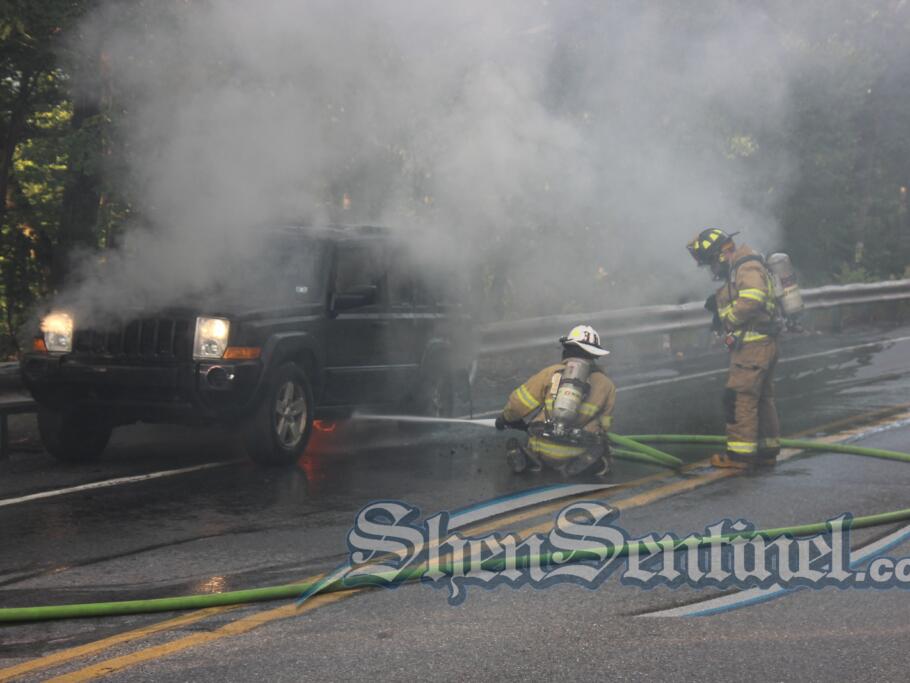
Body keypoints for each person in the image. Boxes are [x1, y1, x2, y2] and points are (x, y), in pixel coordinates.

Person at [687, 228, 781, 469]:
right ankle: (766, 449)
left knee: (739, 397)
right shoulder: (748, 264)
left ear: (721, 254)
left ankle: (740, 456)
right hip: (762, 343)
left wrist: (727, 317)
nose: (712, 269)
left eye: (711, 262)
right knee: (761, 398)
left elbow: (752, 298)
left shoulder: (745, 265)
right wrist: (720, 302)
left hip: (753, 346)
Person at [495, 325, 616, 476]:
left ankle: (528, 459)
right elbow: (604, 426)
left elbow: (518, 405)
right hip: (576, 453)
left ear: (567, 348)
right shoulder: (606, 384)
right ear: (594, 355)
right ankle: (592, 465)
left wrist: (505, 419)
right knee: (605, 454)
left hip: (543, 450)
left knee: (531, 440)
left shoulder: (550, 374)